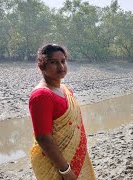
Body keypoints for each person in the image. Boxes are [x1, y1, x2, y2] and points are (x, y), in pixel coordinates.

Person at [28, 44, 96, 180]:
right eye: (54, 62)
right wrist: (65, 170)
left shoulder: (65, 90)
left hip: (76, 156)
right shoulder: (41, 96)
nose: (61, 67)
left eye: (63, 61)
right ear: (42, 66)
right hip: (58, 166)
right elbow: (43, 137)